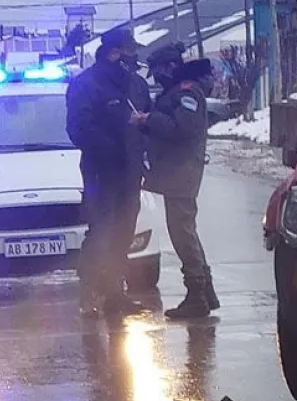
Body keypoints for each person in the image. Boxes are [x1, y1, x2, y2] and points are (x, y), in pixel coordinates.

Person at [66, 28, 153, 317]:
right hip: (101, 172)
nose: (134, 57)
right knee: (101, 232)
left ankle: (115, 293)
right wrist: (111, 150)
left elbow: (149, 120)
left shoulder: (136, 84)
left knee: (124, 232)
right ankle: (89, 293)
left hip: (131, 171)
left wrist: (147, 147)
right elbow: (78, 129)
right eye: (130, 51)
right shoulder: (86, 84)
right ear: (114, 53)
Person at [136, 53, 219, 319]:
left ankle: (197, 294)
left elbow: (184, 129)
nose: (158, 78)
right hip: (177, 171)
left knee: (182, 232)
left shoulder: (187, 92)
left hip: (182, 171)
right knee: (185, 230)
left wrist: (150, 119)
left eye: (160, 71)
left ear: (171, 67)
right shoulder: (178, 90)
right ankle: (204, 291)